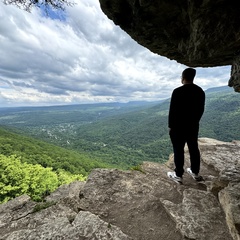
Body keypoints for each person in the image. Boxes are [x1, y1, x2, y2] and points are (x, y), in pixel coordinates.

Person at [167, 68, 205, 184]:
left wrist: (171, 126)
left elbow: (172, 111)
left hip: (178, 127)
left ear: (183, 77)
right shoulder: (200, 91)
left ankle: (178, 175)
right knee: (193, 148)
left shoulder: (177, 91)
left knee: (178, 150)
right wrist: (195, 122)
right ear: (193, 77)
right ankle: (195, 172)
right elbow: (201, 110)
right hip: (193, 126)